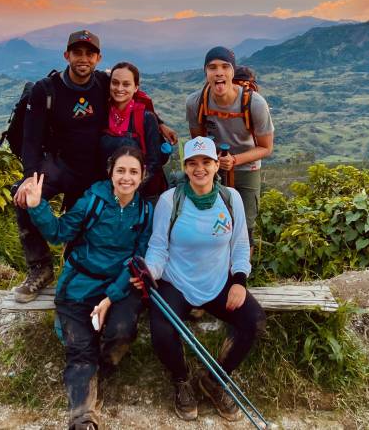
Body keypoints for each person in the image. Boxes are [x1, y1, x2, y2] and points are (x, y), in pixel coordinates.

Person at [12, 30, 175, 303]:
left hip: (95, 172)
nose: (83, 58)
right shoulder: (46, 90)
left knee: (81, 233)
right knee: (22, 197)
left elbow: (134, 99)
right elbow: (31, 138)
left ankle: (84, 281)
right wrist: (30, 177)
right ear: (67, 55)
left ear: (98, 58)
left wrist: (158, 123)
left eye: (90, 53)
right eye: (78, 53)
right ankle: (39, 268)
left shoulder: (103, 82)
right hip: (60, 164)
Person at [18, 146, 153, 430]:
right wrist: (37, 206)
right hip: (78, 286)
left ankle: (98, 370)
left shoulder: (144, 212)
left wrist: (110, 298)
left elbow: (135, 261)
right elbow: (58, 233)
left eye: (133, 172)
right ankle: (83, 418)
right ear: (110, 173)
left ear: (142, 176)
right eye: (121, 171)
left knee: (121, 332)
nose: (126, 178)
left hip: (117, 287)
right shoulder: (92, 200)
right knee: (80, 350)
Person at [135, 136, 266, 422]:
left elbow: (241, 245)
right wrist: (150, 272)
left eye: (206, 162)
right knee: (162, 330)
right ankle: (181, 381)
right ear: (184, 167)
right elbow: (158, 247)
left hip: (218, 282)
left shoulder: (231, 199)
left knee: (253, 321)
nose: (200, 169)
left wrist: (239, 281)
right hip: (176, 282)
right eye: (192, 163)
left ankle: (215, 380)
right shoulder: (171, 201)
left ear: (217, 165)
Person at [186, 46, 274, 250]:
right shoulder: (196, 103)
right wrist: (214, 161)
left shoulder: (255, 103)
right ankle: (217, 274)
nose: (219, 72)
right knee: (213, 224)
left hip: (247, 169)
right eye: (212, 67)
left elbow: (266, 147)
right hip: (212, 169)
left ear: (232, 72)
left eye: (225, 66)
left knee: (245, 229)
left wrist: (234, 160)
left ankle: (241, 278)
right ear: (205, 72)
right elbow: (199, 144)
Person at [100, 62, 168, 200]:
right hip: (107, 194)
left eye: (126, 84)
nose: (119, 88)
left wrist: (128, 190)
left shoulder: (146, 118)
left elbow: (154, 163)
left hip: (142, 195)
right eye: (115, 83)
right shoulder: (101, 114)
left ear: (136, 87)